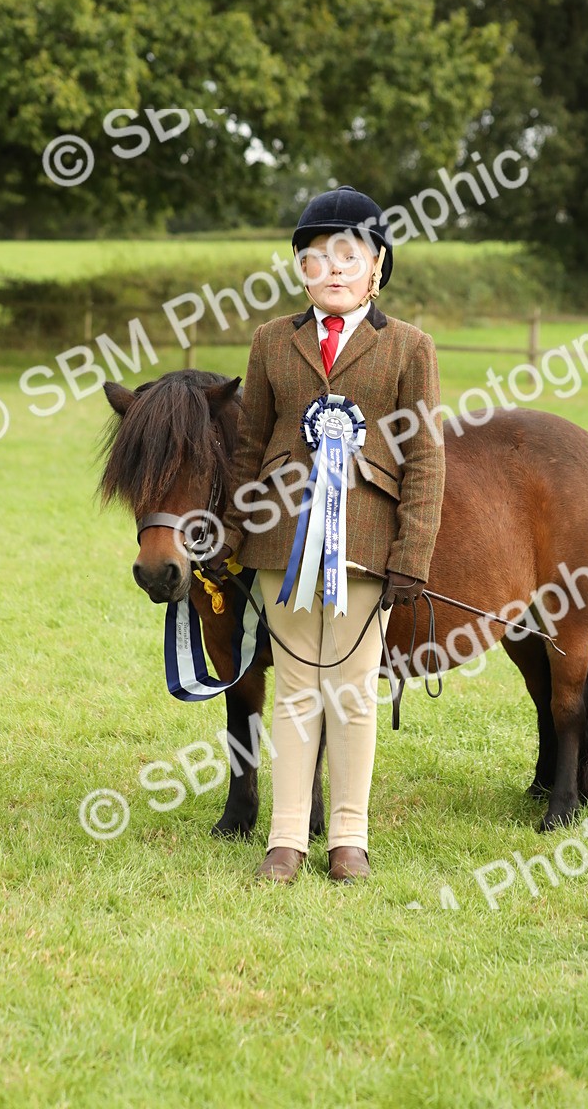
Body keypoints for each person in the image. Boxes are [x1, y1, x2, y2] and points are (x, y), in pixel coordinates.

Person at [207, 185, 445, 883]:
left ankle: (349, 838)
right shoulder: (270, 343)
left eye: (349, 254)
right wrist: (230, 536)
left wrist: (413, 554)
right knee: (293, 691)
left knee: (351, 691)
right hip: (282, 543)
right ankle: (285, 839)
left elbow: (427, 456)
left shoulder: (409, 348)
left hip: (367, 546)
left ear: (377, 267)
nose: (332, 269)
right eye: (315, 258)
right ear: (300, 271)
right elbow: (249, 447)